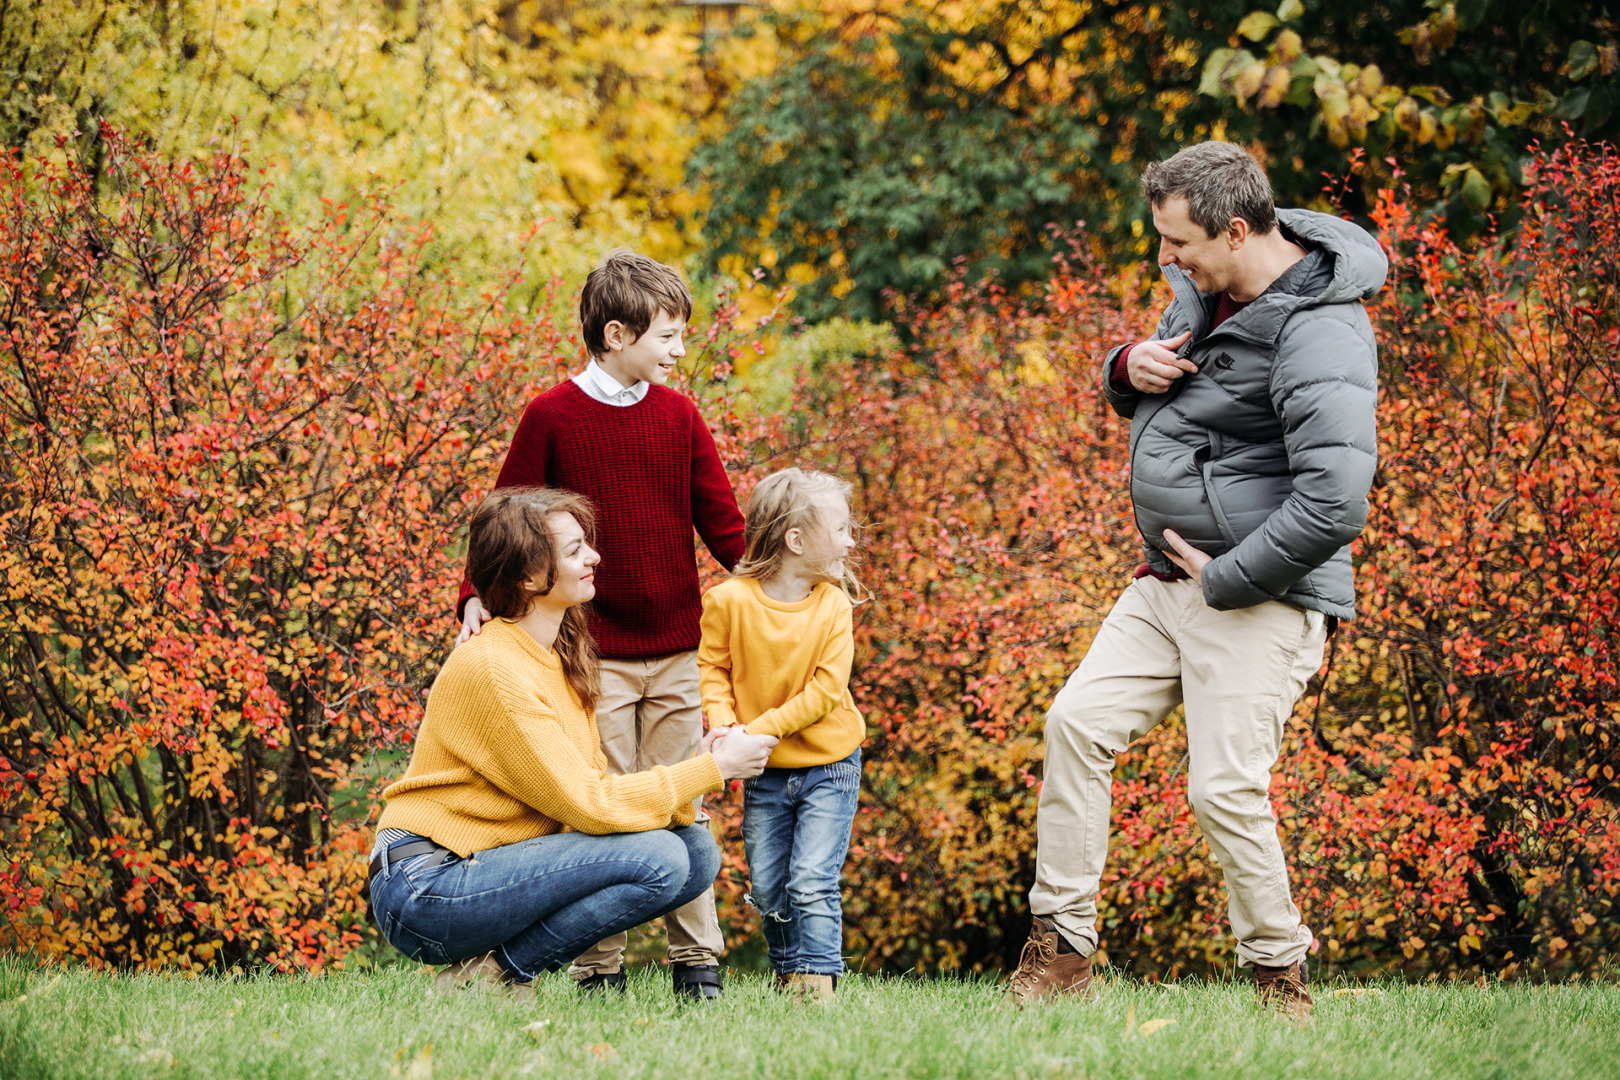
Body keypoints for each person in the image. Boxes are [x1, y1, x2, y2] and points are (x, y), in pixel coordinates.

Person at [1008, 142, 1386, 1022]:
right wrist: (1122, 367)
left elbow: (1335, 501)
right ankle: (1061, 953)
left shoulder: (1322, 326)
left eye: (1175, 242)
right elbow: (1182, 396)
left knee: (1222, 791)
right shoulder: (1208, 289)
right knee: (1075, 725)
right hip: (1164, 582)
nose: (1163, 259)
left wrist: (1230, 578)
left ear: (1238, 228)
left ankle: (1278, 979)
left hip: (1260, 594)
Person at [455, 249, 746, 999]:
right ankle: (599, 969)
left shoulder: (679, 416)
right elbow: (507, 516)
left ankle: (698, 967)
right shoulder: (551, 416)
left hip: (680, 649)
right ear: (616, 334)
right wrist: (473, 595)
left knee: (684, 801)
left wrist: (776, 585)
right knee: (602, 808)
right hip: (596, 655)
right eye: (669, 337)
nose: (681, 352)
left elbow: (722, 521)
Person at [370, 488, 777, 992]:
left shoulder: (559, 655)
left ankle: (493, 975)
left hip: (479, 868)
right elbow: (588, 806)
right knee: (665, 857)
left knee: (694, 851)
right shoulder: (495, 668)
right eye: (574, 550)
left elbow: (588, 789)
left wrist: (700, 764)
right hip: (425, 886)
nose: (595, 557)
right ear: (527, 576)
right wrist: (713, 770)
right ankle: (498, 977)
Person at [697, 468, 866, 1002]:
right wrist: (723, 726)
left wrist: (753, 730)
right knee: (769, 885)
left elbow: (824, 691)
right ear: (796, 541)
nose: (850, 540)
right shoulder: (729, 601)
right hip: (765, 772)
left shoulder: (833, 604)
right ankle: (789, 972)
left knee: (811, 880)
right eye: (841, 528)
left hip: (830, 763)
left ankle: (819, 985)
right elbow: (713, 669)